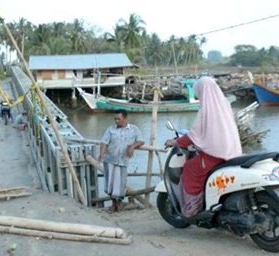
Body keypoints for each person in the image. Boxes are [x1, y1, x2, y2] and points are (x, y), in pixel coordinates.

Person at [164, 77, 242, 217]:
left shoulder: (206, 110)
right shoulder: (225, 106)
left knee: (190, 168)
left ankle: (192, 209)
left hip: (215, 155)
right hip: (232, 152)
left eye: (198, 92)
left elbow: (194, 135)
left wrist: (175, 142)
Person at [99, 109, 145, 212]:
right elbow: (104, 142)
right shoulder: (111, 129)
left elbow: (141, 141)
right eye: (115, 119)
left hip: (123, 161)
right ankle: (113, 205)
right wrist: (101, 156)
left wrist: (132, 146)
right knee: (110, 183)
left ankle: (118, 204)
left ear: (124, 118)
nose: (116, 121)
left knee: (120, 184)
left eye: (118, 119)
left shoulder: (134, 129)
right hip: (110, 159)